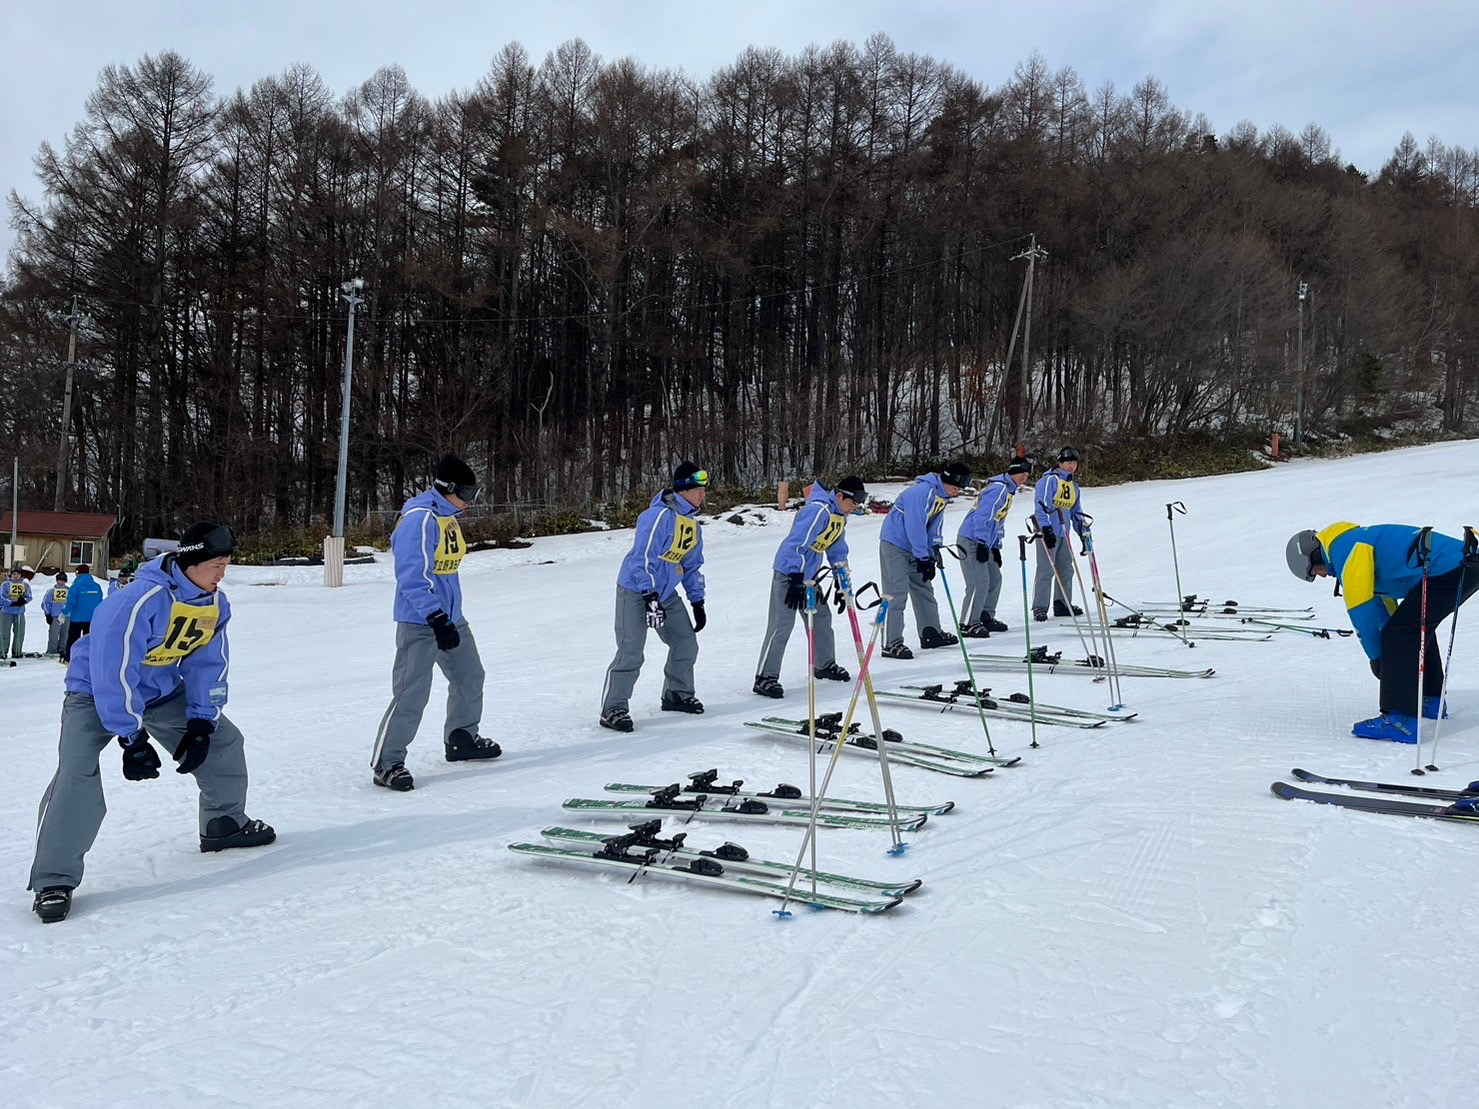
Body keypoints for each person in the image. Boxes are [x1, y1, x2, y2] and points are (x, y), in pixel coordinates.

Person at [27, 520, 276, 924]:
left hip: (160, 692)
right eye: (216, 564)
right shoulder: (137, 600)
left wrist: (201, 721)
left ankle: (223, 823)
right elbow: (113, 669)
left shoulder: (214, 603)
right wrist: (131, 737)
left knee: (225, 742)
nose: (222, 573)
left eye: (227, 564)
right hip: (94, 694)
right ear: (190, 561)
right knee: (76, 775)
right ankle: (53, 880)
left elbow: (208, 664)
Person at [370, 453, 500, 792]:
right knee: (412, 693)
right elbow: (412, 577)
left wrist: (447, 617)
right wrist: (435, 615)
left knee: (470, 675)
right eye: (467, 494)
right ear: (448, 489)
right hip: (421, 619)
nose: (471, 502)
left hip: (450, 617)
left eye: (475, 494)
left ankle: (461, 736)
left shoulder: (448, 516)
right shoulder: (420, 519)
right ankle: (388, 762)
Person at [1287, 523, 1479, 742]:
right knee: (1408, 628)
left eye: (1315, 570)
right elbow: (1381, 605)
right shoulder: (1352, 543)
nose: (1321, 576)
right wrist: (1391, 658)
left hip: (1452, 567)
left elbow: (1361, 611)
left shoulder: (1346, 548)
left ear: (1314, 554)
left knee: (1402, 633)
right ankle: (1429, 701)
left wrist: (1378, 657)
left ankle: (1400, 720)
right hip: (1465, 563)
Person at [599, 461, 709, 731]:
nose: (703, 495)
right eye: (698, 490)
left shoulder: (692, 525)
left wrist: (697, 600)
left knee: (686, 643)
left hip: (666, 593)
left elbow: (693, 565)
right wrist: (649, 595)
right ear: (683, 490)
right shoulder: (657, 516)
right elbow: (642, 559)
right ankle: (613, 709)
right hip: (636, 591)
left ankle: (677, 694)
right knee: (631, 653)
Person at [753, 476, 867, 698]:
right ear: (840, 495)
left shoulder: (838, 516)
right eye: (852, 503)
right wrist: (795, 576)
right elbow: (796, 544)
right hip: (789, 573)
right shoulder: (818, 511)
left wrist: (841, 583)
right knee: (782, 624)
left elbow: (837, 551)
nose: (853, 509)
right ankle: (765, 677)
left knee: (821, 617)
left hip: (809, 576)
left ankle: (824, 664)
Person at [878, 461, 972, 659]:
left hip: (915, 546)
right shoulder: (921, 492)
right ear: (946, 480)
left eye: (959, 489)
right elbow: (915, 525)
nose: (957, 492)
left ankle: (930, 632)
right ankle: (891, 642)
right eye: (955, 487)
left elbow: (934, 526)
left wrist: (932, 551)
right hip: (896, 544)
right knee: (896, 593)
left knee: (924, 588)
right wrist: (922, 555)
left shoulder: (941, 496)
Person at [958, 458, 1033, 636]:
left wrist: (996, 546)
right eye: (1022, 473)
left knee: (994, 578)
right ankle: (968, 623)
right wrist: (983, 542)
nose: (1024, 478)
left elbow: (999, 520)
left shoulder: (1007, 491)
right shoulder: (998, 488)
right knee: (978, 581)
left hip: (985, 541)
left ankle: (985, 615)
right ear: (1013, 472)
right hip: (972, 538)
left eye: (1027, 475)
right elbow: (983, 516)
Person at [1032, 446, 1089, 621]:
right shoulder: (1049, 480)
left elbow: (1076, 512)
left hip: (1064, 533)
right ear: (1059, 463)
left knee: (1066, 569)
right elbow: (1040, 506)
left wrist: (1084, 533)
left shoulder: (1073, 486)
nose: (1072, 466)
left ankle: (1062, 603)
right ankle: (1040, 607)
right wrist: (1045, 528)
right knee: (1046, 570)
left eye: (1074, 463)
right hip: (1048, 531)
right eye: (1068, 463)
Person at [61, 563, 105, 662]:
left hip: (77, 618)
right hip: (91, 618)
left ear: (78, 573)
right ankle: (88, 658)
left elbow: (71, 602)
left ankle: (70, 658)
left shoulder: (76, 586)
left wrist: (63, 613)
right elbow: (100, 602)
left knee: (73, 639)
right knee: (88, 640)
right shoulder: (96, 586)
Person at [1, 566, 32, 660]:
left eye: (18, 574)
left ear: (21, 575)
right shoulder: (5, 584)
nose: (16, 576)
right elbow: (2, 596)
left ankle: (17, 651)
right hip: (6, 612)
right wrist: (11, 602)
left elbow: (29, 596)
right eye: (14, 574)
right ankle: (2, 651)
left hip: (19, 612)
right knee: (4, 633)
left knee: (19, 633)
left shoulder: (25, 585)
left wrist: (23, 601)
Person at [42, 572, 70, 657]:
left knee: (65, 634)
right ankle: (51, 650)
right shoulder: (51, 591)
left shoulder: (69, 591)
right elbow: (45, 603)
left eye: (63, 580)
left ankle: (62, 649)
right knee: (54, 634)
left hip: (67, 616)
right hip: (55, 616)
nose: (61, 582)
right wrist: (48, 614)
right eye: (59, 580)